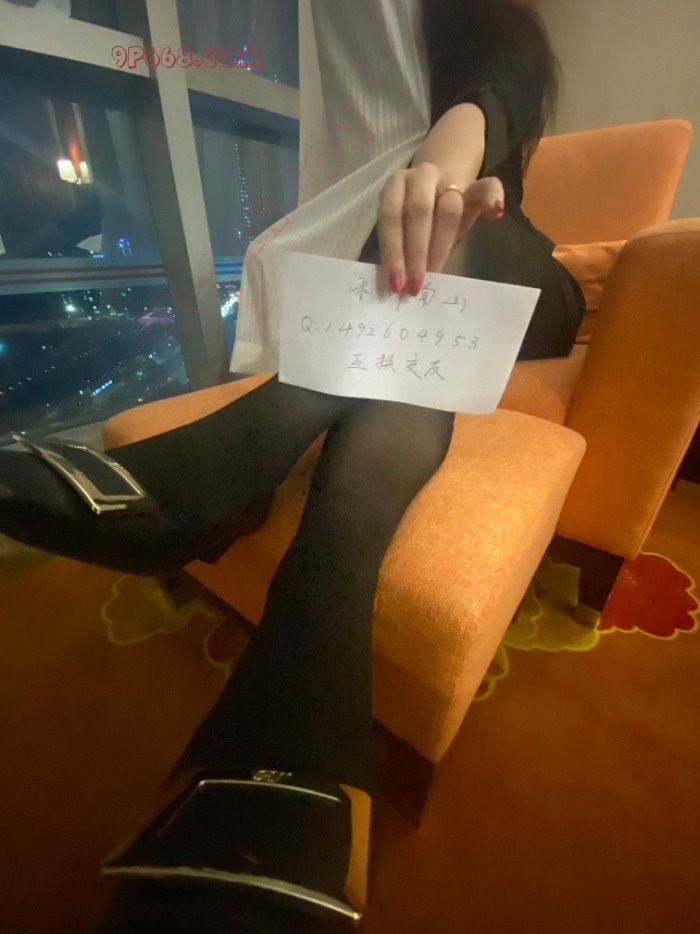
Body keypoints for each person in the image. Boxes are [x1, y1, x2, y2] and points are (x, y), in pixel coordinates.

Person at [0, 1, 585, 930]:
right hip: (409, 267)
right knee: (401, 266)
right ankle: (296, 727)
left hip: (519, 270)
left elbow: (503, 80)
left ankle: (210, 479)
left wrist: (444, 158)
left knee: (445, 233)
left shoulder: (492, 25)